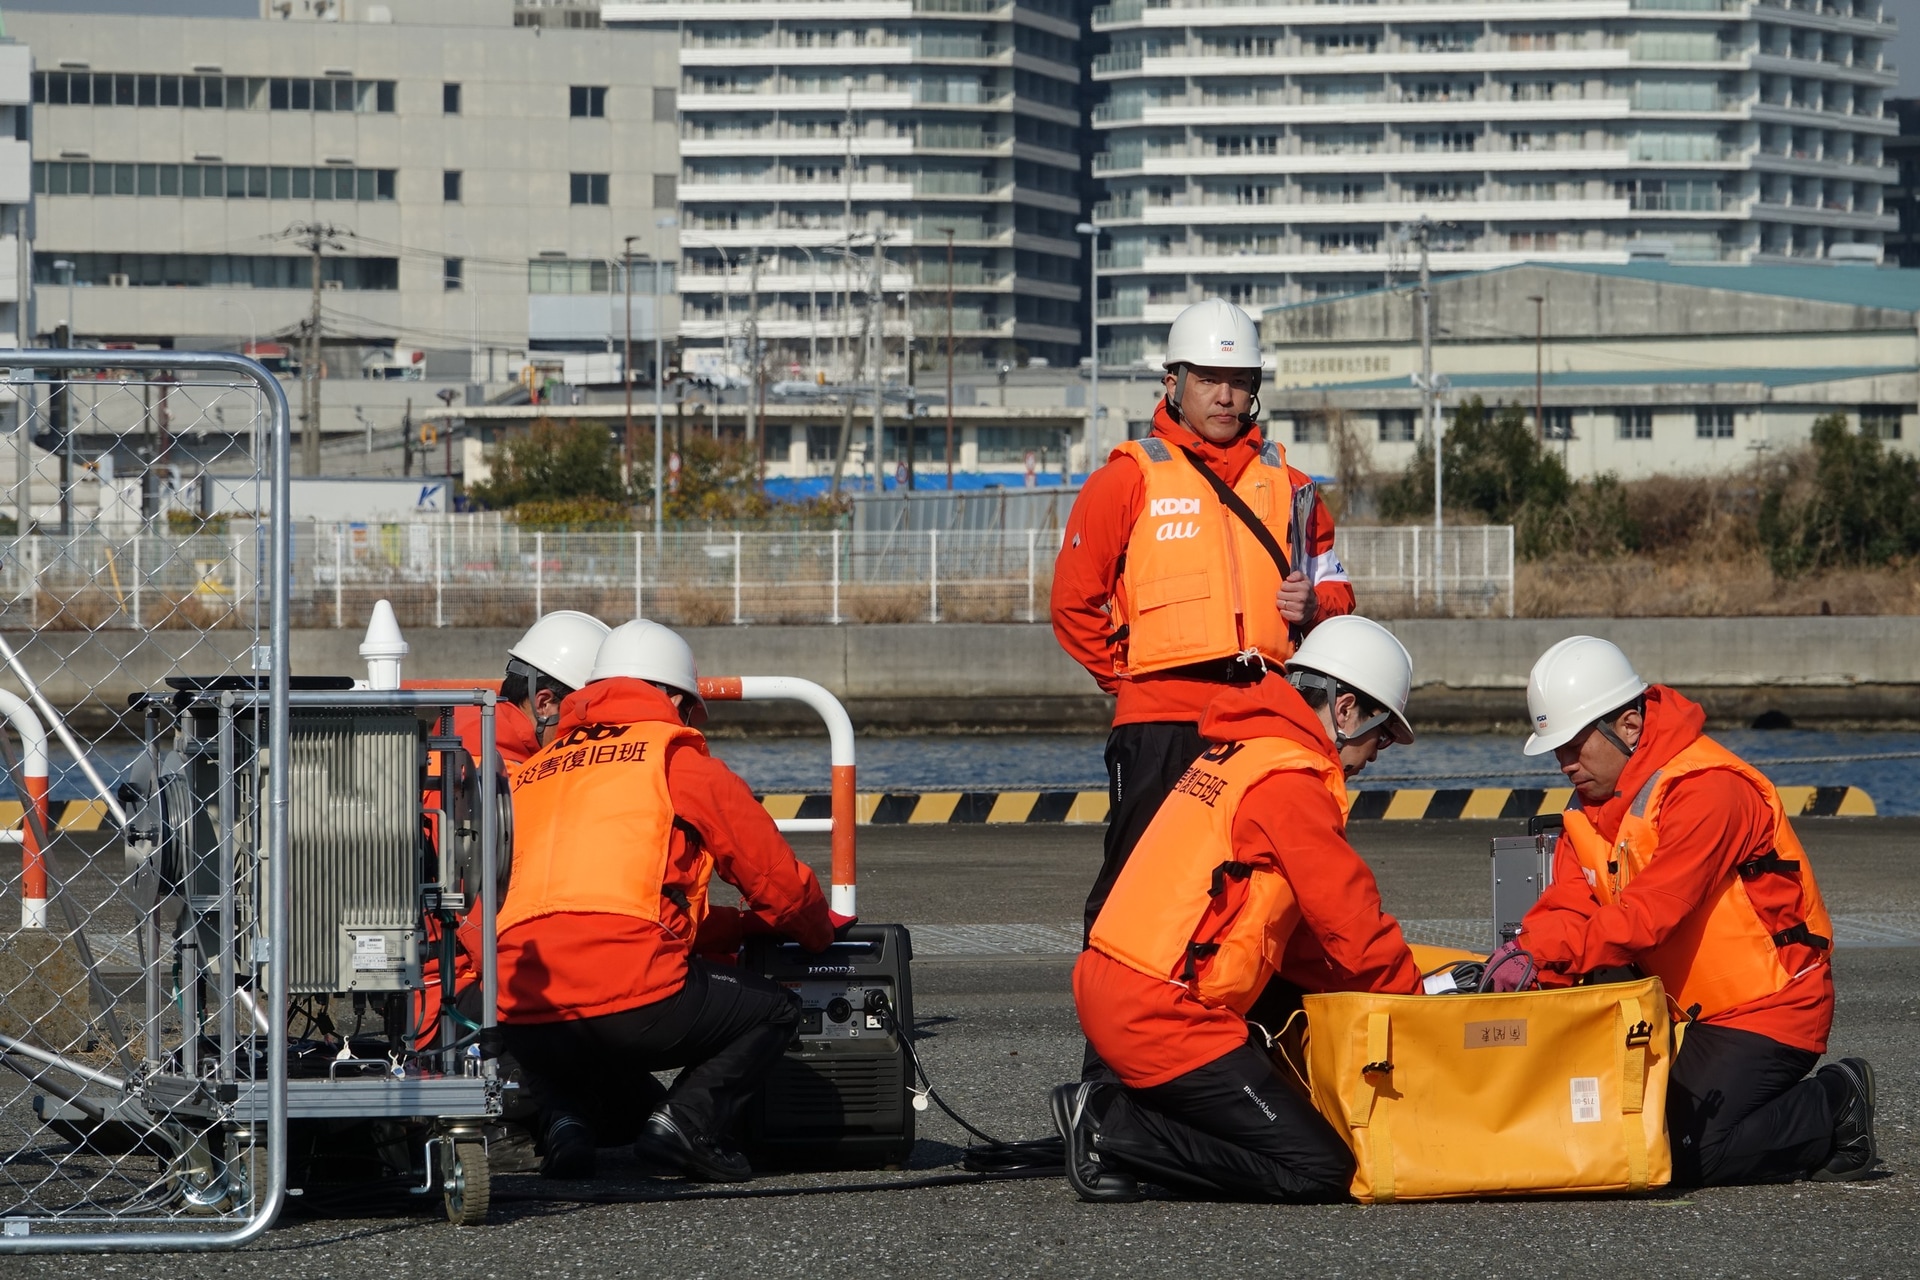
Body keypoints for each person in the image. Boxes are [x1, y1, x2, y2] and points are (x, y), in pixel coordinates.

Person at [1055, 616, 1421, 1203]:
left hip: (1116, 987)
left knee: (1273, 1122)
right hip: (1163, 1017)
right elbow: (1353, 925)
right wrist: (1420, 1011)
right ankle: (1111, 1122)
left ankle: (1120, 1113)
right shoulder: (1292, 782)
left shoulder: (1239, 751)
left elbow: (1293, 935)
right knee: (1320, 1169)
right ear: (1347, 710)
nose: (1375, 758)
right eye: (1380, 738)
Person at [1505, 636, 1876, 1186]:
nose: (1564, 763)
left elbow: (1652, 914)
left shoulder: (1709, 791)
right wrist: (1521, 952)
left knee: (1681, 1155)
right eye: (1556, 749)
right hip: (1685, 1012)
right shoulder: (1590, 809)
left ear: (1628, 725)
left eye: (1575, 744)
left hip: (1771, 1010)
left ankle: (1837, 1102)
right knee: (1621, 1137)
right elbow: (1568, 903)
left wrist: (1539, 954)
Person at [1051, 298, 1355, 967]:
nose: (1226, 395)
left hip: (1264, 718)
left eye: (1241, 380)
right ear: (1172, 383)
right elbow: (1073, 605)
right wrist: (1129, 681)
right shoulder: (1127, 477)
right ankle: (1108, 1063)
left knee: (1256, 886)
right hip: (1158, 721)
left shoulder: (1294, 487)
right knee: (1136, 884)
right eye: (1209, 379)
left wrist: (1314, 607)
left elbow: (1338, 590)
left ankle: (1238, 1041)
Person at [496, 619, 837, 1183]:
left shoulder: (532, 772)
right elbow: (777, 883)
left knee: (578, 1047)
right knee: (775, 1010)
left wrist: (739, 930)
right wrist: (818, 934)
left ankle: (563, 1123)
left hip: (527, 1017)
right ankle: (684, 1127)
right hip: (634, 1001)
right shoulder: (675, 762)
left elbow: (597, 902)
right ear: (675, 699)